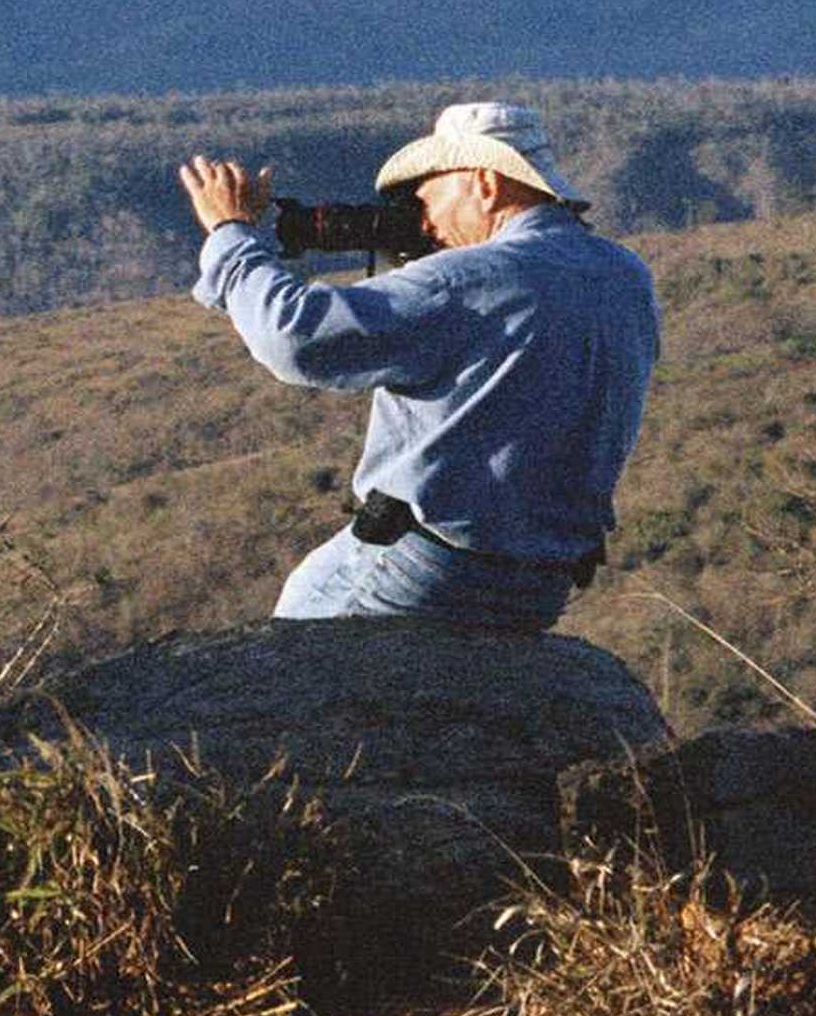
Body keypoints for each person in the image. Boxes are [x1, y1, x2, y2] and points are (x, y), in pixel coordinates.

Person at [179, 99, 660, 633]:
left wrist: (232, 237)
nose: (422, 217)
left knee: (290, 645)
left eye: (427, 191)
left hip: (431, 570)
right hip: (542, 584)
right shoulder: (626, 275)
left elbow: (293, 337)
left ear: (485, 184)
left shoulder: (470, 280)